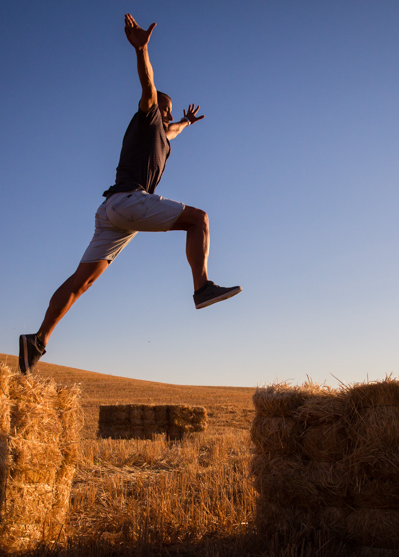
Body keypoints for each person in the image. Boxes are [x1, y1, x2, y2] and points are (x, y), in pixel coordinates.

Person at [18, 14, 241, 374]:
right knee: (198, 219)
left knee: (81, 282)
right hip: (128, 200)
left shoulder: (163, 134)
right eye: (166, 109)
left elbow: (174, 132)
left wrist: (186, 122)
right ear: (158, 108)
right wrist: (142, 51)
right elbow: (149, 86)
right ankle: (202, 288)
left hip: (111, 212)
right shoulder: (148, 115)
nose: (166, 114)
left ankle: (37, 340)